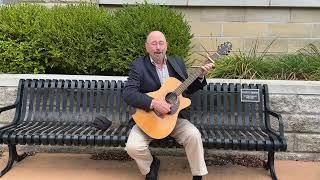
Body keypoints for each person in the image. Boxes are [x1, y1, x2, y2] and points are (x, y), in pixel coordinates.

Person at [123, 31, 214, 180]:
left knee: (194, 135)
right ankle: (151, 165)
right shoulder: (138, 66)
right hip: (148, 119)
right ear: (147, 47)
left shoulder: (177, 62)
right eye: (153, 43)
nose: (158, 47)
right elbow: (128, 94)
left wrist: (200, 76)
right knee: (133, 147)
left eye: (161, 43)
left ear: (166, 45)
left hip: (174, 119)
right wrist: (153, 103)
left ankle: (198, 175)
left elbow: (186, 89)